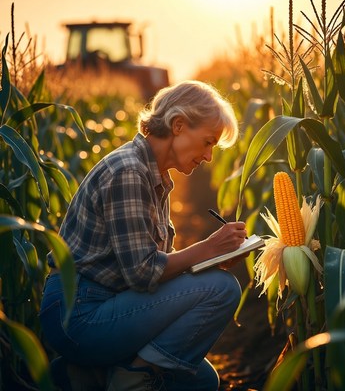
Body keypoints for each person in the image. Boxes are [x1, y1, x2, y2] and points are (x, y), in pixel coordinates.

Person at [39, 80, 247, 391]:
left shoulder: (155, 176)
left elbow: (159, 270)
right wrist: (208, 247)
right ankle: (131, 379)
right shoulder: (129, 172)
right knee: (223, 289)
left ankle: (87, 375)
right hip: (80, 315)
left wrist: (213, 258)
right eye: (207, 142)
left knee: (202, 382)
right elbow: (143, 273)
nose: (208, 157)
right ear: (178, 125)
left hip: (111, 303)